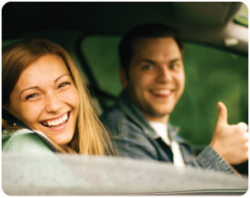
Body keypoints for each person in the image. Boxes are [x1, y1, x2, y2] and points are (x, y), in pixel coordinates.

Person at [100, 23, 249, 174]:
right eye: (148, 67)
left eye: (173, 66)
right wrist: (218, 156)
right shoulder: (118, 135)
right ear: (124, 77)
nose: (165, 77)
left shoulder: (167, 133)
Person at [1, 39, 116, 186]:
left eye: (62, 85)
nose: (55, 106)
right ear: (6, 107)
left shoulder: (69, 154)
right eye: (32, 95)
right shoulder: (25, 147)